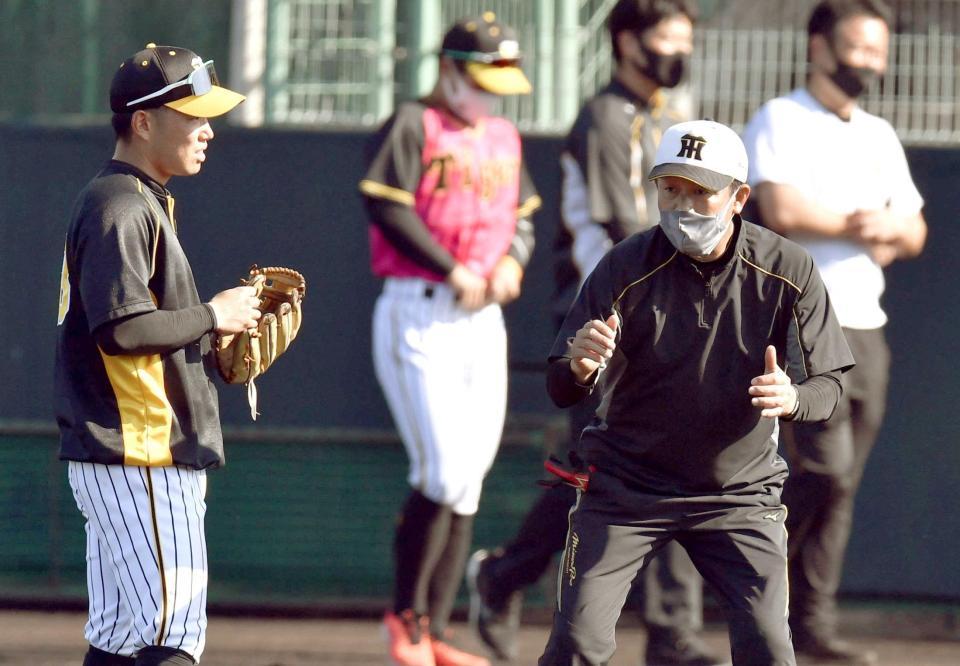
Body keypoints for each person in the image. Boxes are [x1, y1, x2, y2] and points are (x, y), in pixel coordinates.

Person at [536, 118, 856, 666]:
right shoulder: (625, 265)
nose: (682, 205)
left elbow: (830, 385)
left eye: (701, 192)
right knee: (577, 644)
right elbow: (561, 384)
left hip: (737, 492)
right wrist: (583, 366)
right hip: (626, 486)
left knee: (768, 646)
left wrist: (793, 398)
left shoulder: (788, 269)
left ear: (738, 198)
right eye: (670, 188)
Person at [466, 2, 725, 664]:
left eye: (684, 38)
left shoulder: (676, 115)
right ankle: (501, 577)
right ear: (626, 42)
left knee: (674, 459)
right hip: (602, 320)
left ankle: (672, 634)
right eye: (666, 37)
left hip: (663, 313)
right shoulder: (604, 118)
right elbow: (624, 234)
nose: (677, 49)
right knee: (598, 470)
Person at [55, 44, 254, 666]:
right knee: (171, 636)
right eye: (192, 114)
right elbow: (121, 330)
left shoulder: (134, 199)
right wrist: (213, 315)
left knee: (123, 638)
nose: (207, 129)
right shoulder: (119, 204)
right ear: (143, 122)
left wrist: (211, 331)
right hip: (141, 453)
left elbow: (135, 328)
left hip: (129, 454)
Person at [741, 1, 927, 663]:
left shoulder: (877, 134)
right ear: (819, 47)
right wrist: (865, 222)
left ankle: (809, 627)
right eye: (857, 48)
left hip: (868, 327)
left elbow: (914, 228)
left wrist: (885, 227)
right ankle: (755, 598)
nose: (869, 64)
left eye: (878, 51)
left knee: (842, 486)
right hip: (803, 322)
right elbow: (782, 207)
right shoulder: (780, 118)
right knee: (824, 470)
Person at [358, 13, 541, 666]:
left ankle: (431, 629)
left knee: (468, 482)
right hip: (421, 309)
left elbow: (521, 217)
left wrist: (513, 262)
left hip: (481, 320)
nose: (491, 92)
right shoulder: (416, 123)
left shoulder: (501, 136)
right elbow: (385, 202)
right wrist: (452, 267)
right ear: (449, 68)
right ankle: (403, 618)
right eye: (482, 77)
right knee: (440, 470)